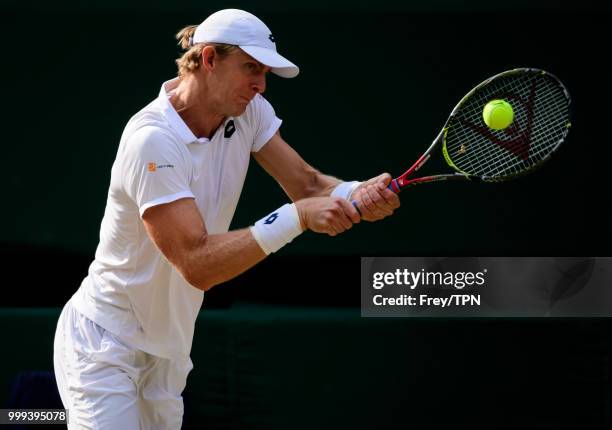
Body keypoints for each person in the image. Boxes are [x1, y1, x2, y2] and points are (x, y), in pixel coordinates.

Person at [53, 9, 400, 429]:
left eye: (265, 72)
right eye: (250, 67)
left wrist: (356, 192)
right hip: (105, 347)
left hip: (168, 352)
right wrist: (295, 219)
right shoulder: (153, 140)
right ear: (210, 59)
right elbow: (196, 264)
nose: (260, 84)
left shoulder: (248, 112)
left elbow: (307, 185)